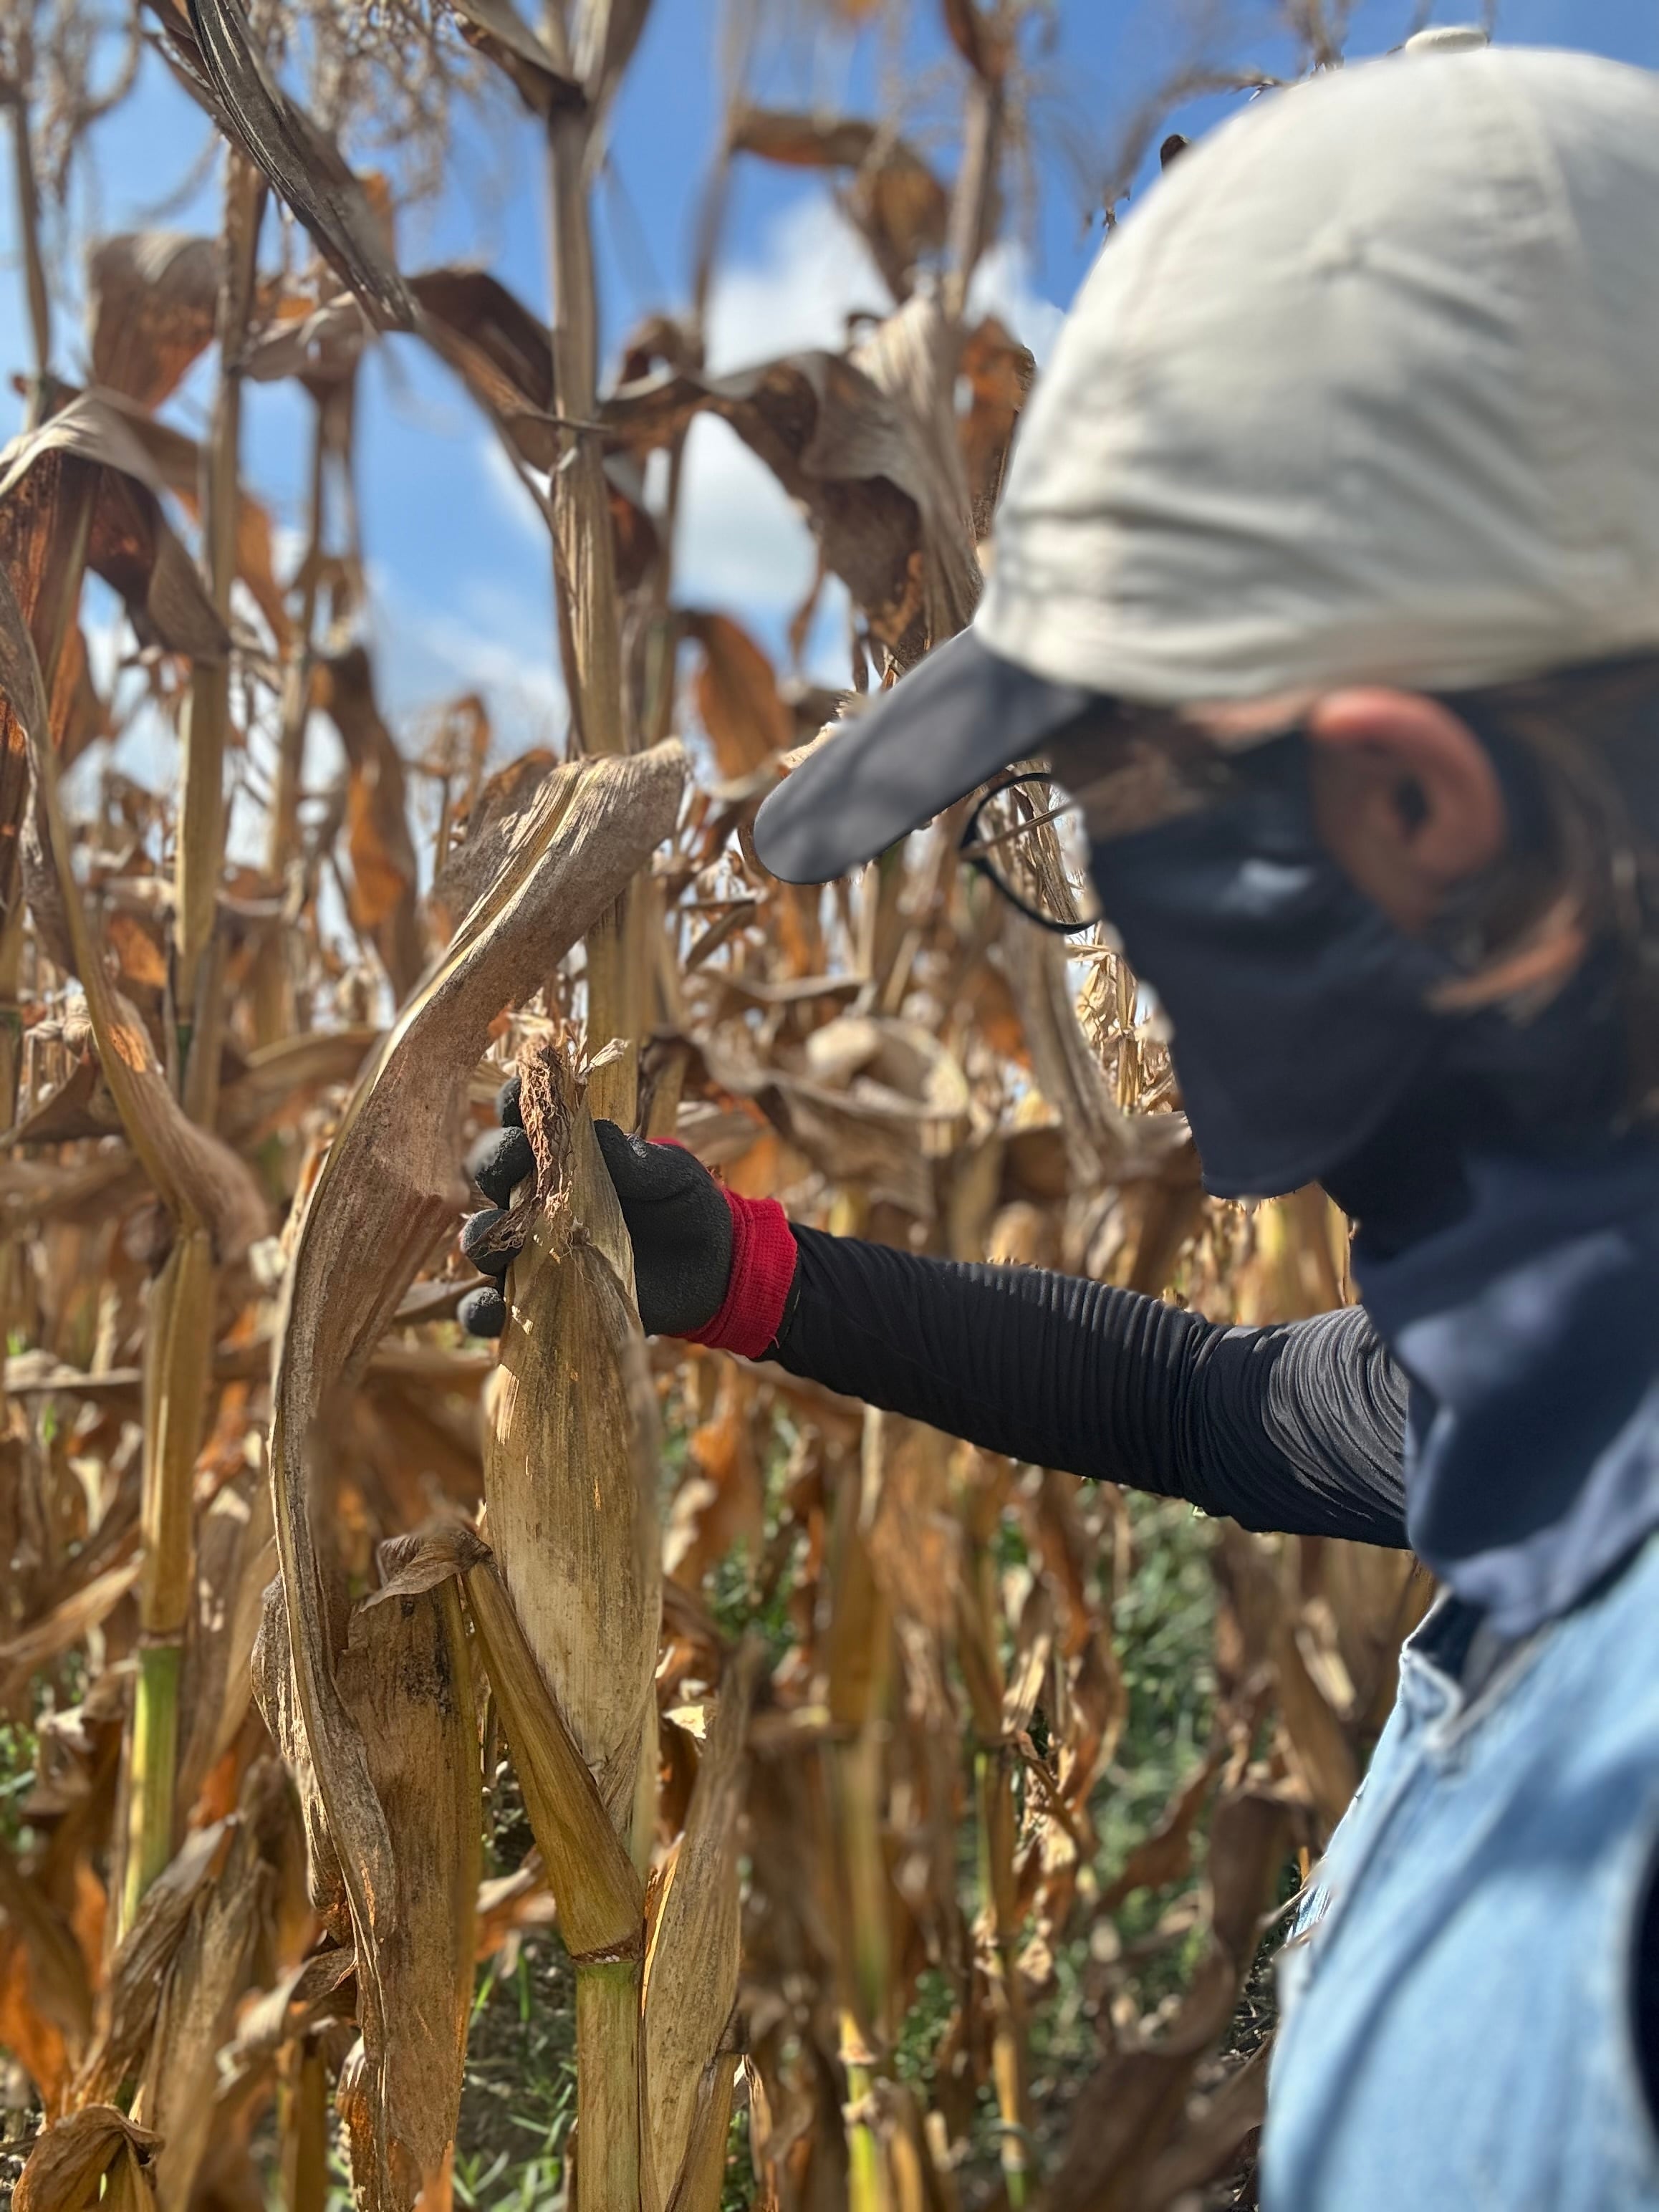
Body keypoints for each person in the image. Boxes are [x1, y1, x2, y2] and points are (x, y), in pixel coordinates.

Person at [461, 39, 1659, 2209]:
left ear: (1411, 814)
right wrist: (730, 1268)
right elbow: (1211, 1403)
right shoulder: (1562, 1379)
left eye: (1116, 810)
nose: (1102, 922)